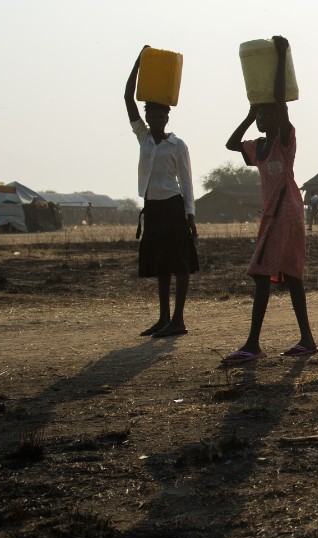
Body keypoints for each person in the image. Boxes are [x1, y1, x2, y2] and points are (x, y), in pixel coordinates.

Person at [222, 35, 317, 364]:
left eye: (267, 114)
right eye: (259, 116)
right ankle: (307, 340)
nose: (263, 119)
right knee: (291, 276)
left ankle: (252, 345)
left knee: (262, 274)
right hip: (280, 215)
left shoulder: (284, 140)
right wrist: (250, 114)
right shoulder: (258, 149)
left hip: (284, 215)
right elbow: (231, 144)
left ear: (279, 115)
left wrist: (279, 59)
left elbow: (279, 100)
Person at [125, 46, 198, 338]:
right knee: (161, 265)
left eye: (160, 115)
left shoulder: (177, 145)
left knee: (179, 263)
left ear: (167, 117)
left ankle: (178, 320)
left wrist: (190, 215)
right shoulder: (143, 137)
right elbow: (128, 97)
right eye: (151, 114)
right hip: (153, 208)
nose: (155, 119)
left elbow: (188, 181)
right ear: (147, 117)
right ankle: (163, 318)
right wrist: (139, 61)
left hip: (174, 207)